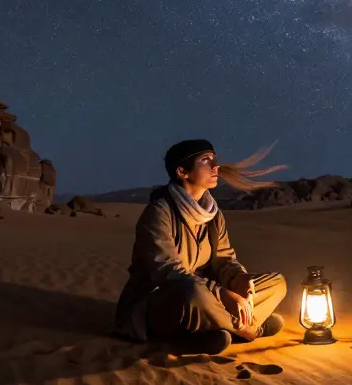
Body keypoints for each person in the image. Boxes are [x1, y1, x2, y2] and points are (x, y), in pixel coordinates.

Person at [113, 139, 289, 354]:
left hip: (208, 298)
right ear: (182, 172)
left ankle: (212, 332)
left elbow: (224, 260)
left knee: (277, 283)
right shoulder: (159, 213)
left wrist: (239, 279)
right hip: (165, 301)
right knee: (194, 293)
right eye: (206, 161)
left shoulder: (213, 214)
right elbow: (167, 272)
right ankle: (249, 329)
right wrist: (223, 294)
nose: (216, 166)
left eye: (214, 159)